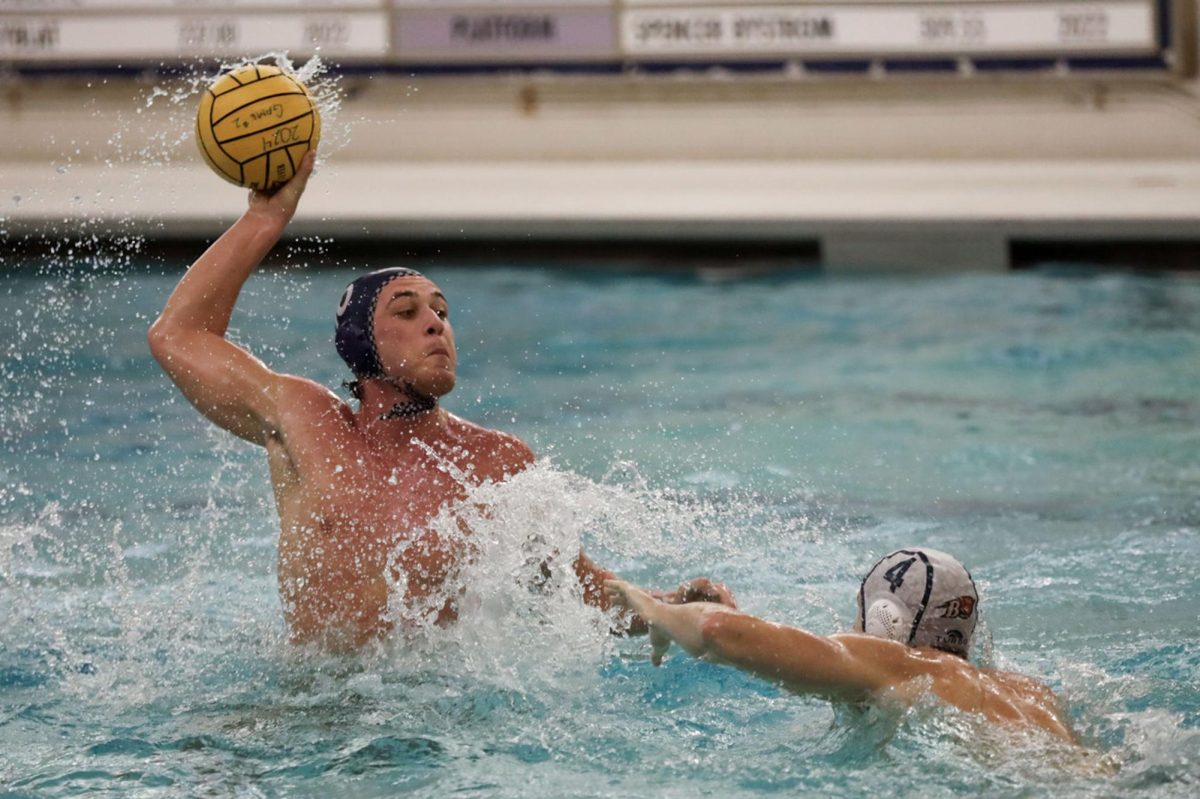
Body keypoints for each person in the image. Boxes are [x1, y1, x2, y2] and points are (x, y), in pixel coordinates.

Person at [148, 153, 727, 649]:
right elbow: (177, 336)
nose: (435, 325)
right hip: (307, 701)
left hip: (426, 719)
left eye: (442, 312)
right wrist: (265, 218)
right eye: (407, 312)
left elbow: (578, 591)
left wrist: (673, 606)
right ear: (360, 342)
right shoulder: (303, 421)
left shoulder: (497, 463)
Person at [604, 547, 1077, 742]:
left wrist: (659, 612)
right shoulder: (1029, 693)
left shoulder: (897, 665)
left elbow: (717, 635)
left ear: (882, 621)